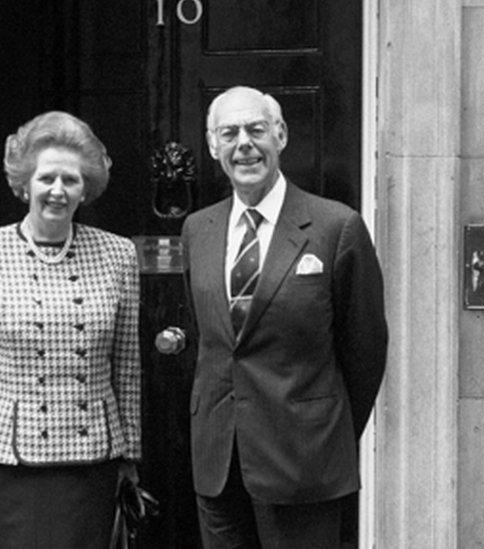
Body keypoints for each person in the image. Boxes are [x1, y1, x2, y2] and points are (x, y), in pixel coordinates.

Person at [179, 86, 388, 547]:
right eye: (229, 133)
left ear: (281, 136)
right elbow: (206, 339)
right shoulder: (199, 230)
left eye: (256, 130)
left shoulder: (337, 227)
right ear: (213, 145)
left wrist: (323, 428)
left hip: (304, 461)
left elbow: (365, 349)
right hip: (219, 460)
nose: (244, 144)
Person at [0, 111, 141, 548]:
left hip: (93, 462)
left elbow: (127, 366)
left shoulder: (118, 255)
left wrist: (130, 455)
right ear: (24, 184)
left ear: (85, 187)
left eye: (70, 180)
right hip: (14, 463)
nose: (57, 191)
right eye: (46, 178)